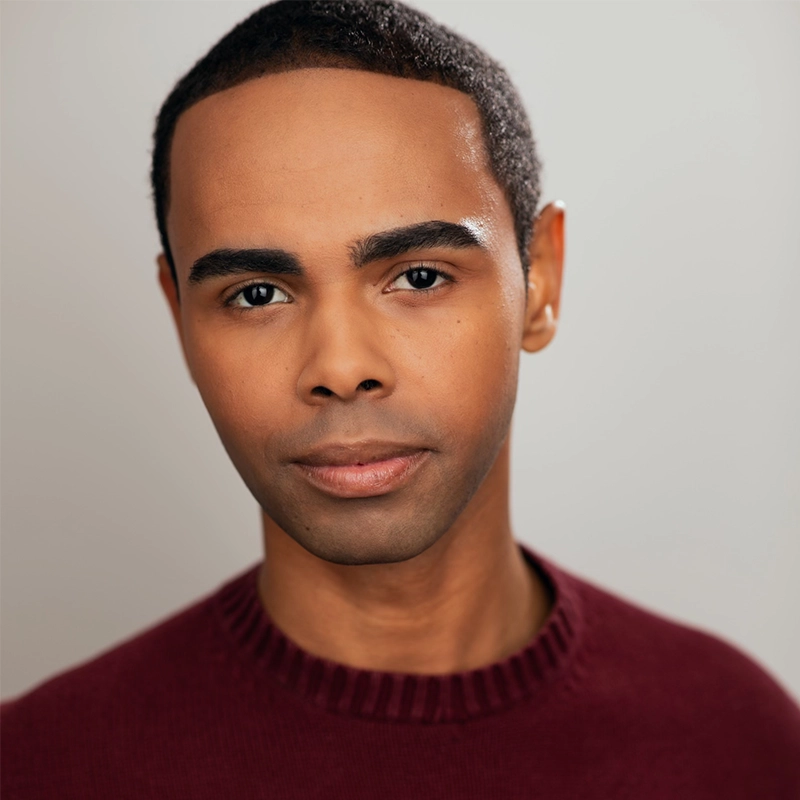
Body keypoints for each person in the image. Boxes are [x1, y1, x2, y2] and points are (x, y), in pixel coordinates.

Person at [2, 1, 799, 796]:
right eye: (255, 294)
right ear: (179, 315)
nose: (341, 368)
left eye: (419, 276)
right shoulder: (38, 764)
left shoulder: (741, 742)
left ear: (541, 282)